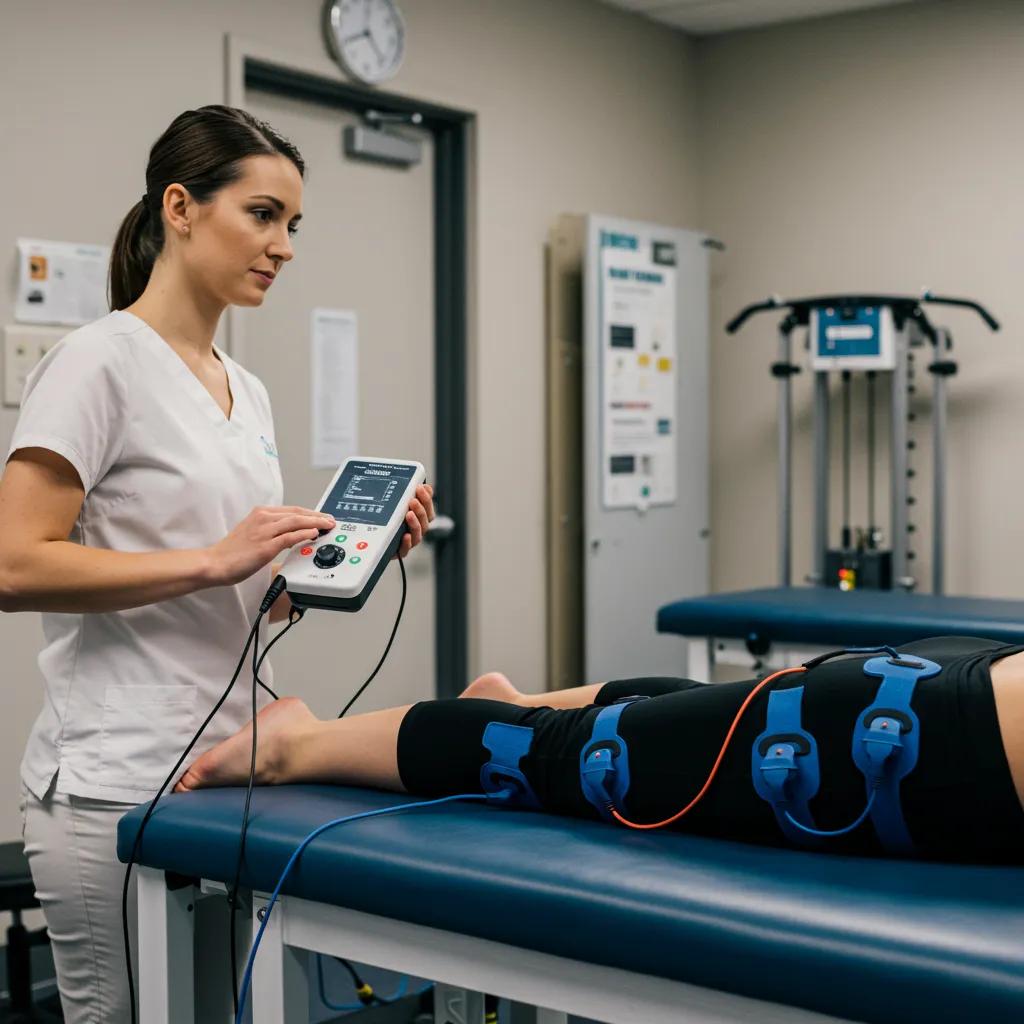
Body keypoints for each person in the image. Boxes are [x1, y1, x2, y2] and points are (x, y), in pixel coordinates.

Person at [0, 105, 435, 1022]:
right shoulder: (98, 363)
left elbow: (230, 590)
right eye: (264, 215)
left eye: (293, 226)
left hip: (232, 766)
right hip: (113, 779)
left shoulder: (247, 387)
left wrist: (322, 570)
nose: (282, 246)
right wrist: (211, 560)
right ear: (182, 207)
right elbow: (14, 564)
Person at [177, 635, 1024, 864]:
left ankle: (508, 704)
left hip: (947, 715)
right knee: (549, 755)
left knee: (679, 722)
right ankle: (298, 742)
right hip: (919, 737)